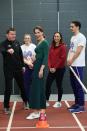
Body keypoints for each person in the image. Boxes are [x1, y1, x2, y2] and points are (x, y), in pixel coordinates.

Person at [0, 27, 27, 114]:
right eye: (12, 34)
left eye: (14, 34)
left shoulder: (17, 42)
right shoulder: (3, 44)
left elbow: (20, 54)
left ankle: (25, 102)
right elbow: (2, 50)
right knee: (8, 88)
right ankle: (6, 107)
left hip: (18, 68)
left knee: (22, 86)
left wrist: (23, 66)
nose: (13, 35)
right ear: (7, 35)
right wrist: (8, 50)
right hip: (8, 70)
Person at [26, 26, 49, 121]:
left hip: (40, 69)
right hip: (36, 68)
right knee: (37, 89)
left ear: (42, 32)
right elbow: (37, 56)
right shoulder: (39, 42)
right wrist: (31, 62)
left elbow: (45, 57)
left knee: (38, 90)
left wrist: (41, 70)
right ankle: (39, 111)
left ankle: (38, 112)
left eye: (38, 32)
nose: (37, 34)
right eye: (35, 32)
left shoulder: (45, 43)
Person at [67, 21, 86, 113]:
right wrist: (68, 59)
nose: (71, 28)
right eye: (70, 27)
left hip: (78, 65)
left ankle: (81, 106)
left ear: (77, 27)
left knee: (78, 85)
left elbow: (78, 51)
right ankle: (77, 103)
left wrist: (71, 60)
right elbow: (71, 50)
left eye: (72, 26)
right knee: (73, 85)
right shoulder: (72, 37)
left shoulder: (81, 37)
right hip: (72, 65)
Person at [46, 32, 67, 108]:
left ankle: (58, 102)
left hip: (59, 69)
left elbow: (62, 58)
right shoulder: (51, 46)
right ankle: (47, 101)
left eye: (58, 36)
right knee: (47, 85)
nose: (56, 37)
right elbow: (49, 57)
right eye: (55, 36)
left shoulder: (63, 47)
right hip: (51, 69)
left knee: (59, 85)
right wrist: (50, 67)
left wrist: (55, 67)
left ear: (60, 38)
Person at [21, 34, 36, 109]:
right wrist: (28, 63)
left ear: (30, 39)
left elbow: (35, 56)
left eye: (28, 38)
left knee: (32, 85)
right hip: (25, 68)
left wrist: (31, 63)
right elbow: (21, 58)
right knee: (25, 85)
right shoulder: (21, 47)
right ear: (24, 39)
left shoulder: (33, 46)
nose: (27, 39)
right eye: (25, 38)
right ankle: (25, 101)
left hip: (32, 67)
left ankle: (32, 101)